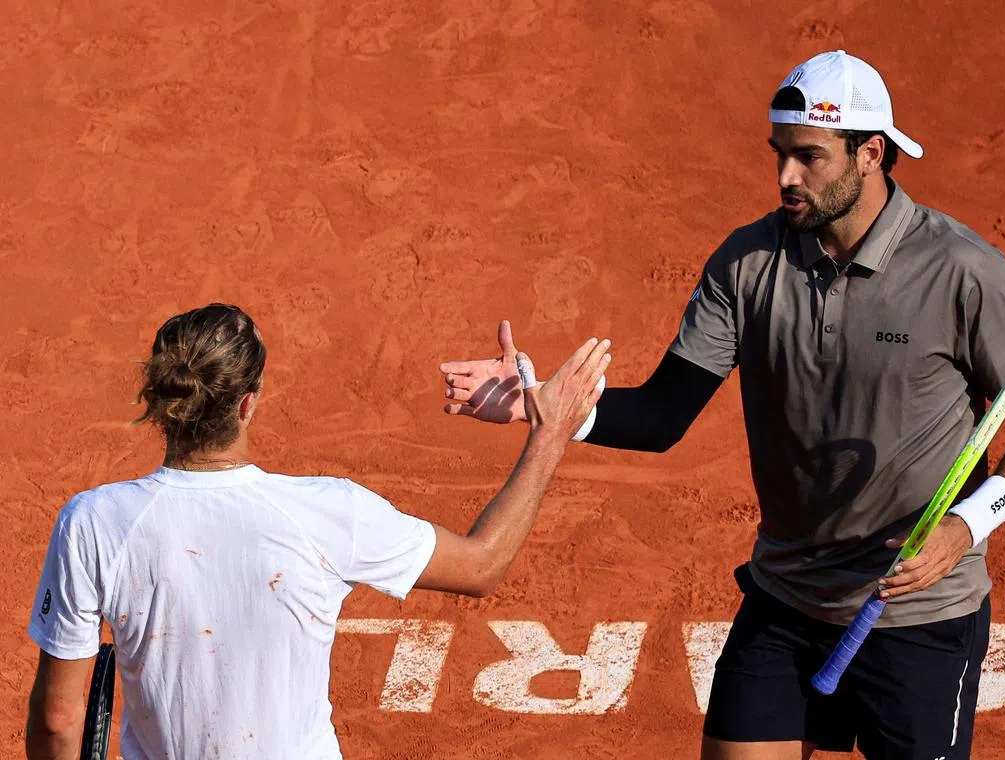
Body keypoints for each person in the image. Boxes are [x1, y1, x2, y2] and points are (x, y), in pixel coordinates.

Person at [439, 50, 1005, 759]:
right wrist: (545, 407)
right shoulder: (747, 264)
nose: (784, 179)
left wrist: (963, 528)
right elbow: (661, 415)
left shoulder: (962, 271)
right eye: (779, 155)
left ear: (871, 154)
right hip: (788, 601)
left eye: (808, 157)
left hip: (917, 614)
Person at [25, 303, 611, 760]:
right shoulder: (331, 513)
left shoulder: (92, 523)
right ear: (249, 403)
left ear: (159, 398)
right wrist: (548, 433)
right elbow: (482, 565)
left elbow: (59, 722)